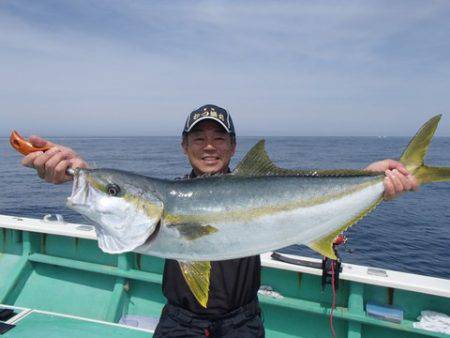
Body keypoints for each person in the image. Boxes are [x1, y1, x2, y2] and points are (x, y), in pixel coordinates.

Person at [21, 104, 418, 337]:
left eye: (218, 139)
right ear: (184, 146)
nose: (209, 146)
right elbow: (118, 202)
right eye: (198, 139)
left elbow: (308, 194)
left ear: (232, 146)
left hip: (244, 321)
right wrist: (75, 171)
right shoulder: (171, 193)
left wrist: (372, 180)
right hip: (178, 321)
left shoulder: (257, 186)